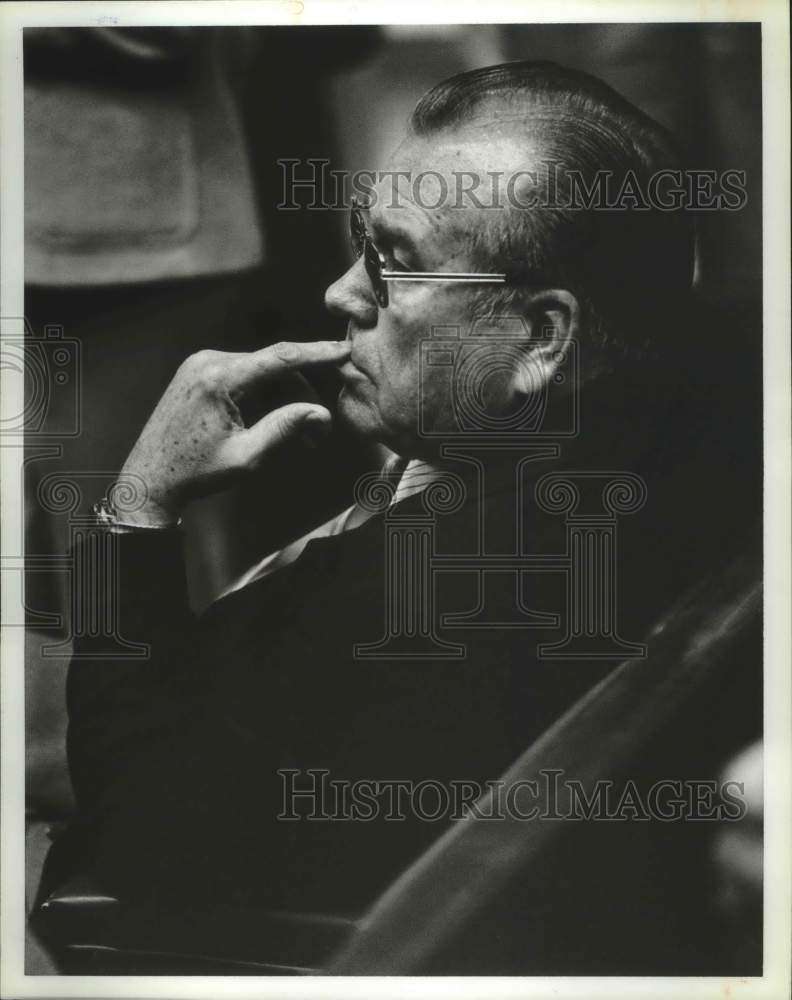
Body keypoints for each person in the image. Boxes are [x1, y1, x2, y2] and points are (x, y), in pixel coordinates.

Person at [34, 62, 761, 974]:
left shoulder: (434, 603)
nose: (343, 294)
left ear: (542, 337)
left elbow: (143, 847)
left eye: (393, 264)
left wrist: (134, 516)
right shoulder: (693, 411)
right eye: (356, 242)